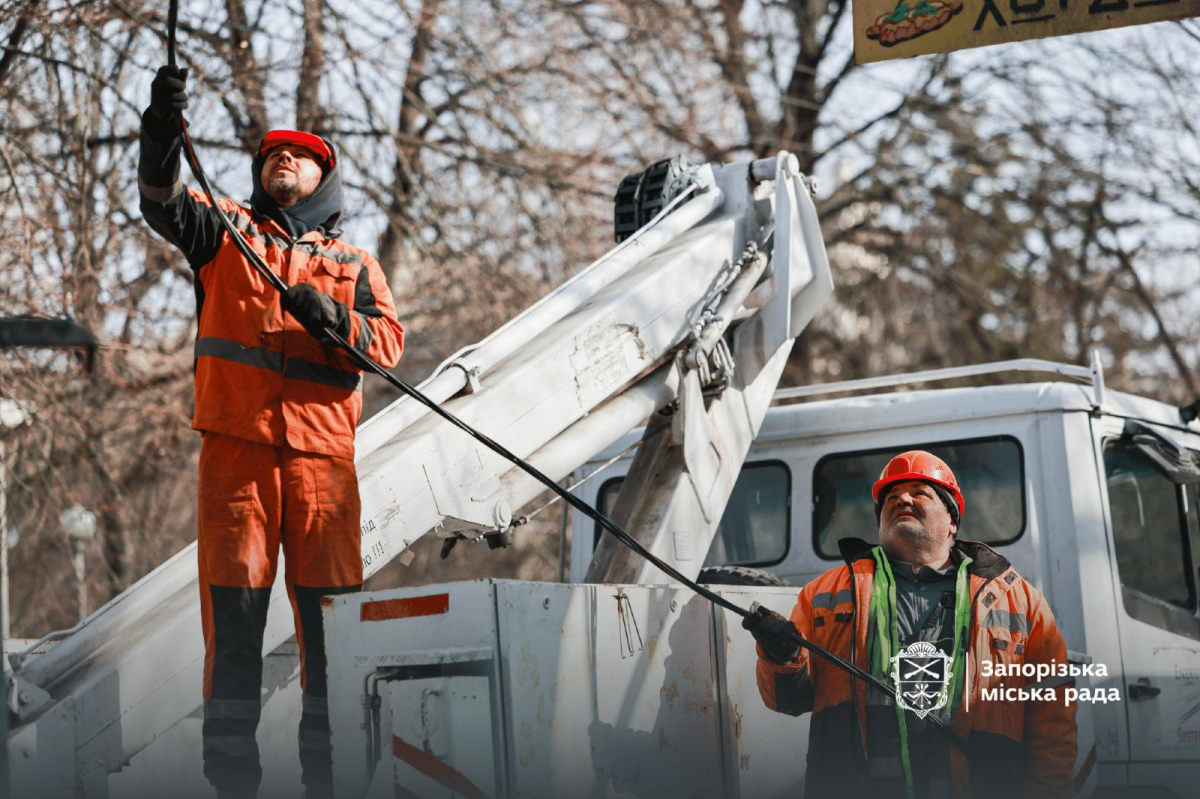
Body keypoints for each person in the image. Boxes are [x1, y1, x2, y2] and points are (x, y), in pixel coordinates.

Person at [138, 65, 405, 798]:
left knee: (333, 638)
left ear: (324, 174)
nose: (280, 157)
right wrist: (161, 128)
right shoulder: (225, 234)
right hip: (238, 459)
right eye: (269, 153)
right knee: (235, 635)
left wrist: (336, 320)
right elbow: (160, 201)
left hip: (324, 469)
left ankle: (332, 782)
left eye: (299, 152)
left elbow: (386, 345)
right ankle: (233, 786)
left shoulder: (353, 264)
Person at [744, 451, 1077, 799]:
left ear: (952, 520)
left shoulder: (1021, 600)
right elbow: (789, 700)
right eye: (891, 496)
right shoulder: (825, 593)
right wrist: (782, 655)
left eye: (920, 492)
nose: (902, 498)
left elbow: (1053, 718)